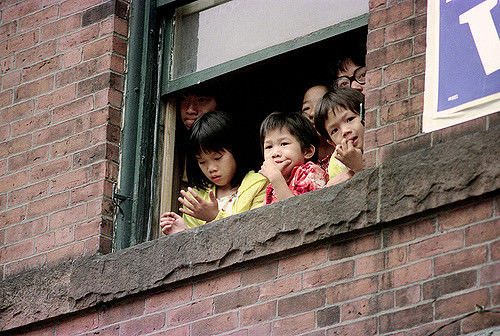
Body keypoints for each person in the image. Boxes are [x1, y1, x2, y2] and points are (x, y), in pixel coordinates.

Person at [160, 111, 268, 234]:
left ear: (236, 151)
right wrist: (182, 232)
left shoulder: (259, 184)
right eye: (202, 162)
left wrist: (214, 216)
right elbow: (196, 248)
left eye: (218, 158)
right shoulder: (195, 198)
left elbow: (256, 232)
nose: (211, 168)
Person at [259, 111, 328, 205]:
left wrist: (276, 178)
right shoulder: (271, 186)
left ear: (307, 151)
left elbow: (299, 213)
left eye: (284, 144)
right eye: (269, 147)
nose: (275, 153)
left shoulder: (310, 172)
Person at [314, 88, 365, 187]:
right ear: (332, 143)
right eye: (334, 130)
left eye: (349, 119)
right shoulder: (336, 164)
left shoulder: (383, 140)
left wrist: (358, 166)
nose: (345, 131)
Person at [301, 85, 335, 172]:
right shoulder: (299, 162)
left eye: (320, 105)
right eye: (307, 108)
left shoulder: (345, 154)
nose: (312, 113)